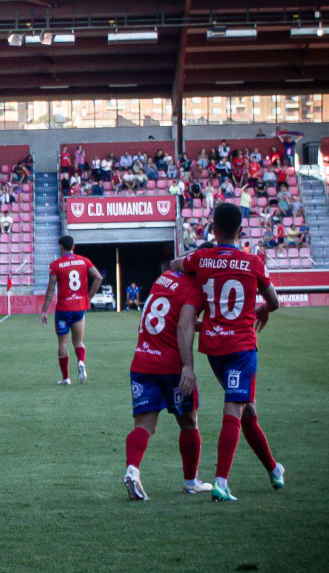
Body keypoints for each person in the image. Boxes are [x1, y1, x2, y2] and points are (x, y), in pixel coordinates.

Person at [169, 203, 283, 501]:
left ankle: (273, 469)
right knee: (235, 408)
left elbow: (174, 264)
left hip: (213, 349)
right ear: (241, 231)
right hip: (241, 347)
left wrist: (192, 262)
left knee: (248, 411)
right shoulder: (254, 262)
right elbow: (274, 302)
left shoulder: (202, 259)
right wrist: (262, 308)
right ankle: (221, 481)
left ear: (213, 228)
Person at [122, 268, 213, 500]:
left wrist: (200, 324)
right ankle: (191, 483)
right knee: (189, 422)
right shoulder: (195, 291)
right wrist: (188, 367)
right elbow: (183, 325)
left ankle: (132, 470)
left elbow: (172, 316)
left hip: (142, 360)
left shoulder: (165, 277)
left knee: (143, 426)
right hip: (171, 365)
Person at [40, 235, 102, 385]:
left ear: (60, 246)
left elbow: (50, 289)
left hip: (63, 309)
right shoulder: (84, 261)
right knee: (78, 341)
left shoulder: (56, 265)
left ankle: (66, 378)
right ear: (73, 246)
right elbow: (98, 277)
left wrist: (44, 311)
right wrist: (89, 297)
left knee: (63, 343)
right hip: (79, 308)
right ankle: (81, 361)